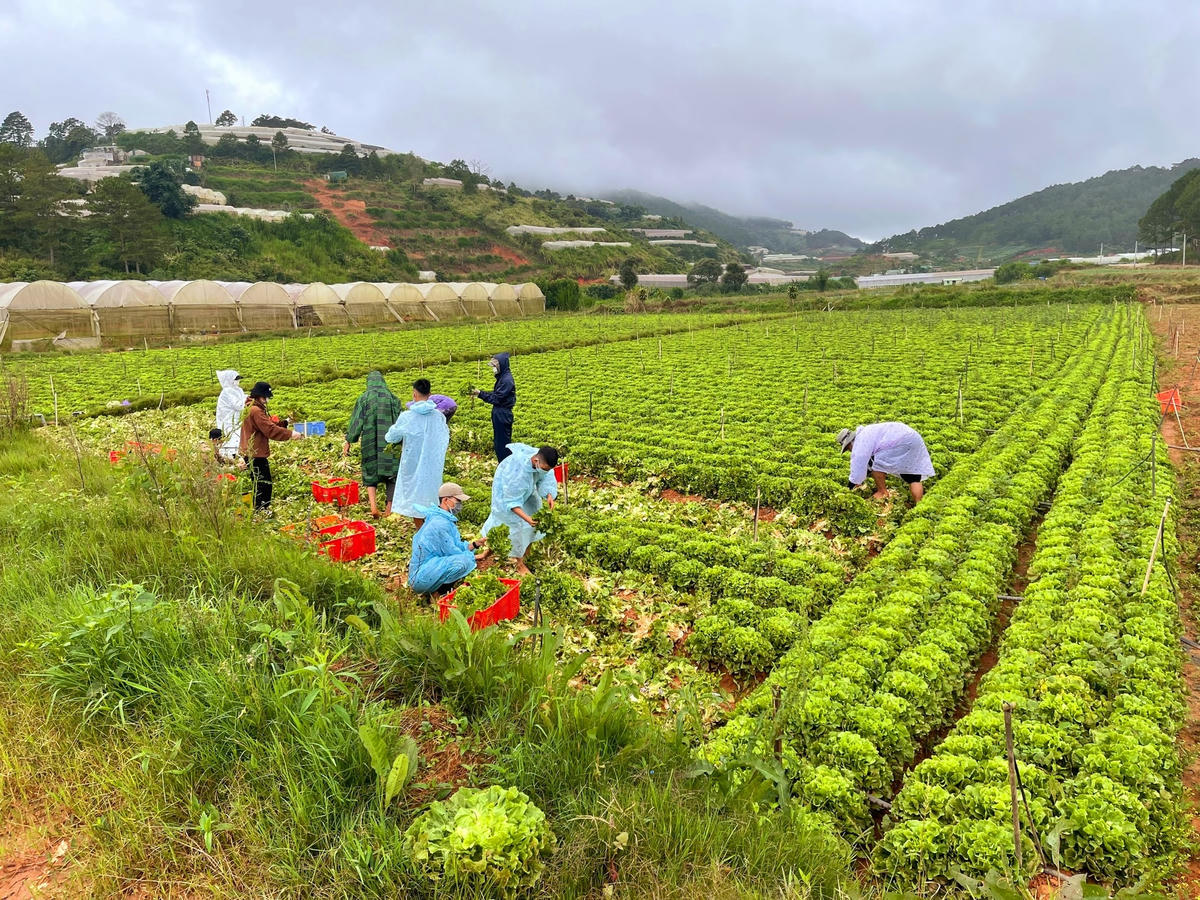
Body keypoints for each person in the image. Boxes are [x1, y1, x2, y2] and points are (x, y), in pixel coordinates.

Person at [480, 444, 559, 575]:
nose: (545, 471)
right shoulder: (516, 472)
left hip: (527, 489)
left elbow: (546, 476)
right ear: (536, 461)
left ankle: (525, 554)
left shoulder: (541, 460)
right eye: (544, 468)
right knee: (511, 523)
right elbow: (512, 503)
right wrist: (527, 519)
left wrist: (549, 494)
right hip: (506, 493)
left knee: (534, 511)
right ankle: (518, 563)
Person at [385, 377, 450, 526]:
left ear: (414, 394)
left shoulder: (407, 417)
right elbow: (445, 438)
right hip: (432, 464)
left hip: (412, 465)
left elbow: (391, 437)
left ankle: (422, 532)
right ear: (430, 393)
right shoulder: (439, 417)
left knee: (415, 499)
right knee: (431, 496)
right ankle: (429, 529)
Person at [344, 371, 403, 518]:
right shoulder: (393, 399)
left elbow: (357, 421)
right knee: (392, 474)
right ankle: (389, 509)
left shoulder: (364, 398)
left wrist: (349, 441)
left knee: (370, 472)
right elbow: (401, 422)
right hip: (390, 442)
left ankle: (373, 507)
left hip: (370, 440)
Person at [407, 483, 485, 595]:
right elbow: (453, 552)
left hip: (428, 569)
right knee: (463, 563)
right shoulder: (440, 524)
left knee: (464, 560)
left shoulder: (442, 518)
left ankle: (437, 590)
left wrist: (475, 544)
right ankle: (438, 592)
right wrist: (475, 556)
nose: (460, 504)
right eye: (458, 500)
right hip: (422, 576)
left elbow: (455, 545)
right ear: (445, 500)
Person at [239, 381, 303, 511]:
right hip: (255, 453)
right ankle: (261, 511)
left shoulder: (252, 408)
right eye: (265, 397)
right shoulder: (255, 410)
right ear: (259, 396)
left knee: (259, 483)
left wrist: (285, 422)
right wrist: (291, 434)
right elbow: (270, 430)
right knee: (264, 485)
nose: (267, 400)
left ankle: (258, 510)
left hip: (252, 451)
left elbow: (268, 425)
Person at [836, 422, 934, 503]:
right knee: (913, 476)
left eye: (848, 449)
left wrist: (848, 489)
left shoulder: (859, 444)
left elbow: (858, 469)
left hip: (901, 442)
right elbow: (866, 464)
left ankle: (882, 492)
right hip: (912, 438)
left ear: (849, 443)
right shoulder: (865, 433)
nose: (850, 451)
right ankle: (918, 504)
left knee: (877, 465)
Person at [471, 352, 515, 461]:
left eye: (495, 366)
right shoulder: (502, 378)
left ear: (502, 365)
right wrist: (479, 393)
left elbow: (496, 398)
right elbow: (496, 394)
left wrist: (480, 394)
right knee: (499, 442)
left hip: (502, 414)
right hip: (499, 412)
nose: (493, 369)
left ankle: (505, 465)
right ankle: (503, 464)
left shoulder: (506, 380)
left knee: (502, 444)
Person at [214, 369, 245, 461]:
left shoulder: (237, 390)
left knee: (238, 437)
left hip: (237, 419)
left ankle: (237, 458)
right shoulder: (227, 391)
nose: (238, 381)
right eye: (236, 379)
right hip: (228, 421)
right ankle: (230, 458)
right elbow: (239, 405)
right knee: (232, 437)